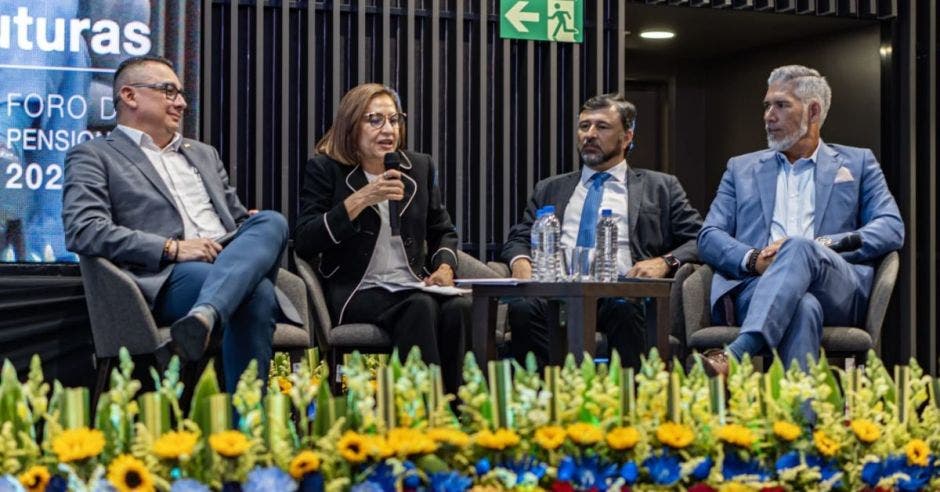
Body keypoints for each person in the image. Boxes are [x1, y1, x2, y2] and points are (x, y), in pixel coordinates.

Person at [62, 55, 301, 392]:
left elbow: (234, 218)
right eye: (169, 92)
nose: (182, 103)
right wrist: (172, 249)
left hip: (225, 257)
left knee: (270, 220)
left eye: (180, 94)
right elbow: (83, 229)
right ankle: (247, 431)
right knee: (258, 293)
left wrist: (248, 227)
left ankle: (205, 314)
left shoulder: (203, 153)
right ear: (130, 96)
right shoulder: (95, 155)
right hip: (167, 276)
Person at [697, 65, 904, 375]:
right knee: (803, 308)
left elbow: (890, 227)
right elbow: (709, 236)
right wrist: (754, 259)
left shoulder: (858, 163)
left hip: (836, 287)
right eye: (767, 105)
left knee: (798, 248)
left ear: (813, 111)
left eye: (781, 105)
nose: (768, 115)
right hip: (757, 286)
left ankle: (737, 353)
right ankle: (799, 421)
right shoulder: (741, 169)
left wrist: (815, 246)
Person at [501, 93, 703, 370]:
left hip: (621, 290)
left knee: (624, 308)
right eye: (584, 126)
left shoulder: (661, 187)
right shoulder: (551, 188)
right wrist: (521, 262)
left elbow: (700, 239)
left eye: (602, 127)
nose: (590, 134)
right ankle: (549, 397)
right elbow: (519, 237)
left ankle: (628, 402)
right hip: (558, 291)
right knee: (523, 309)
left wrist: (664, 262)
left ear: (627, 137)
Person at [294, 83, 470, 393]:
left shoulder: (418, 167)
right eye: (375, 120)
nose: (388, 129)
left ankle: (459, 412)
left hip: (414, 283)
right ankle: (419, 416)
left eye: (394, 119)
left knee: (460, 308)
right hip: (356, 289)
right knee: (420, 307)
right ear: (351, 126)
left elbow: (442, 230)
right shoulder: (326, 169)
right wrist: (362, 198)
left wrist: (444, 269)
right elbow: (306, 238)